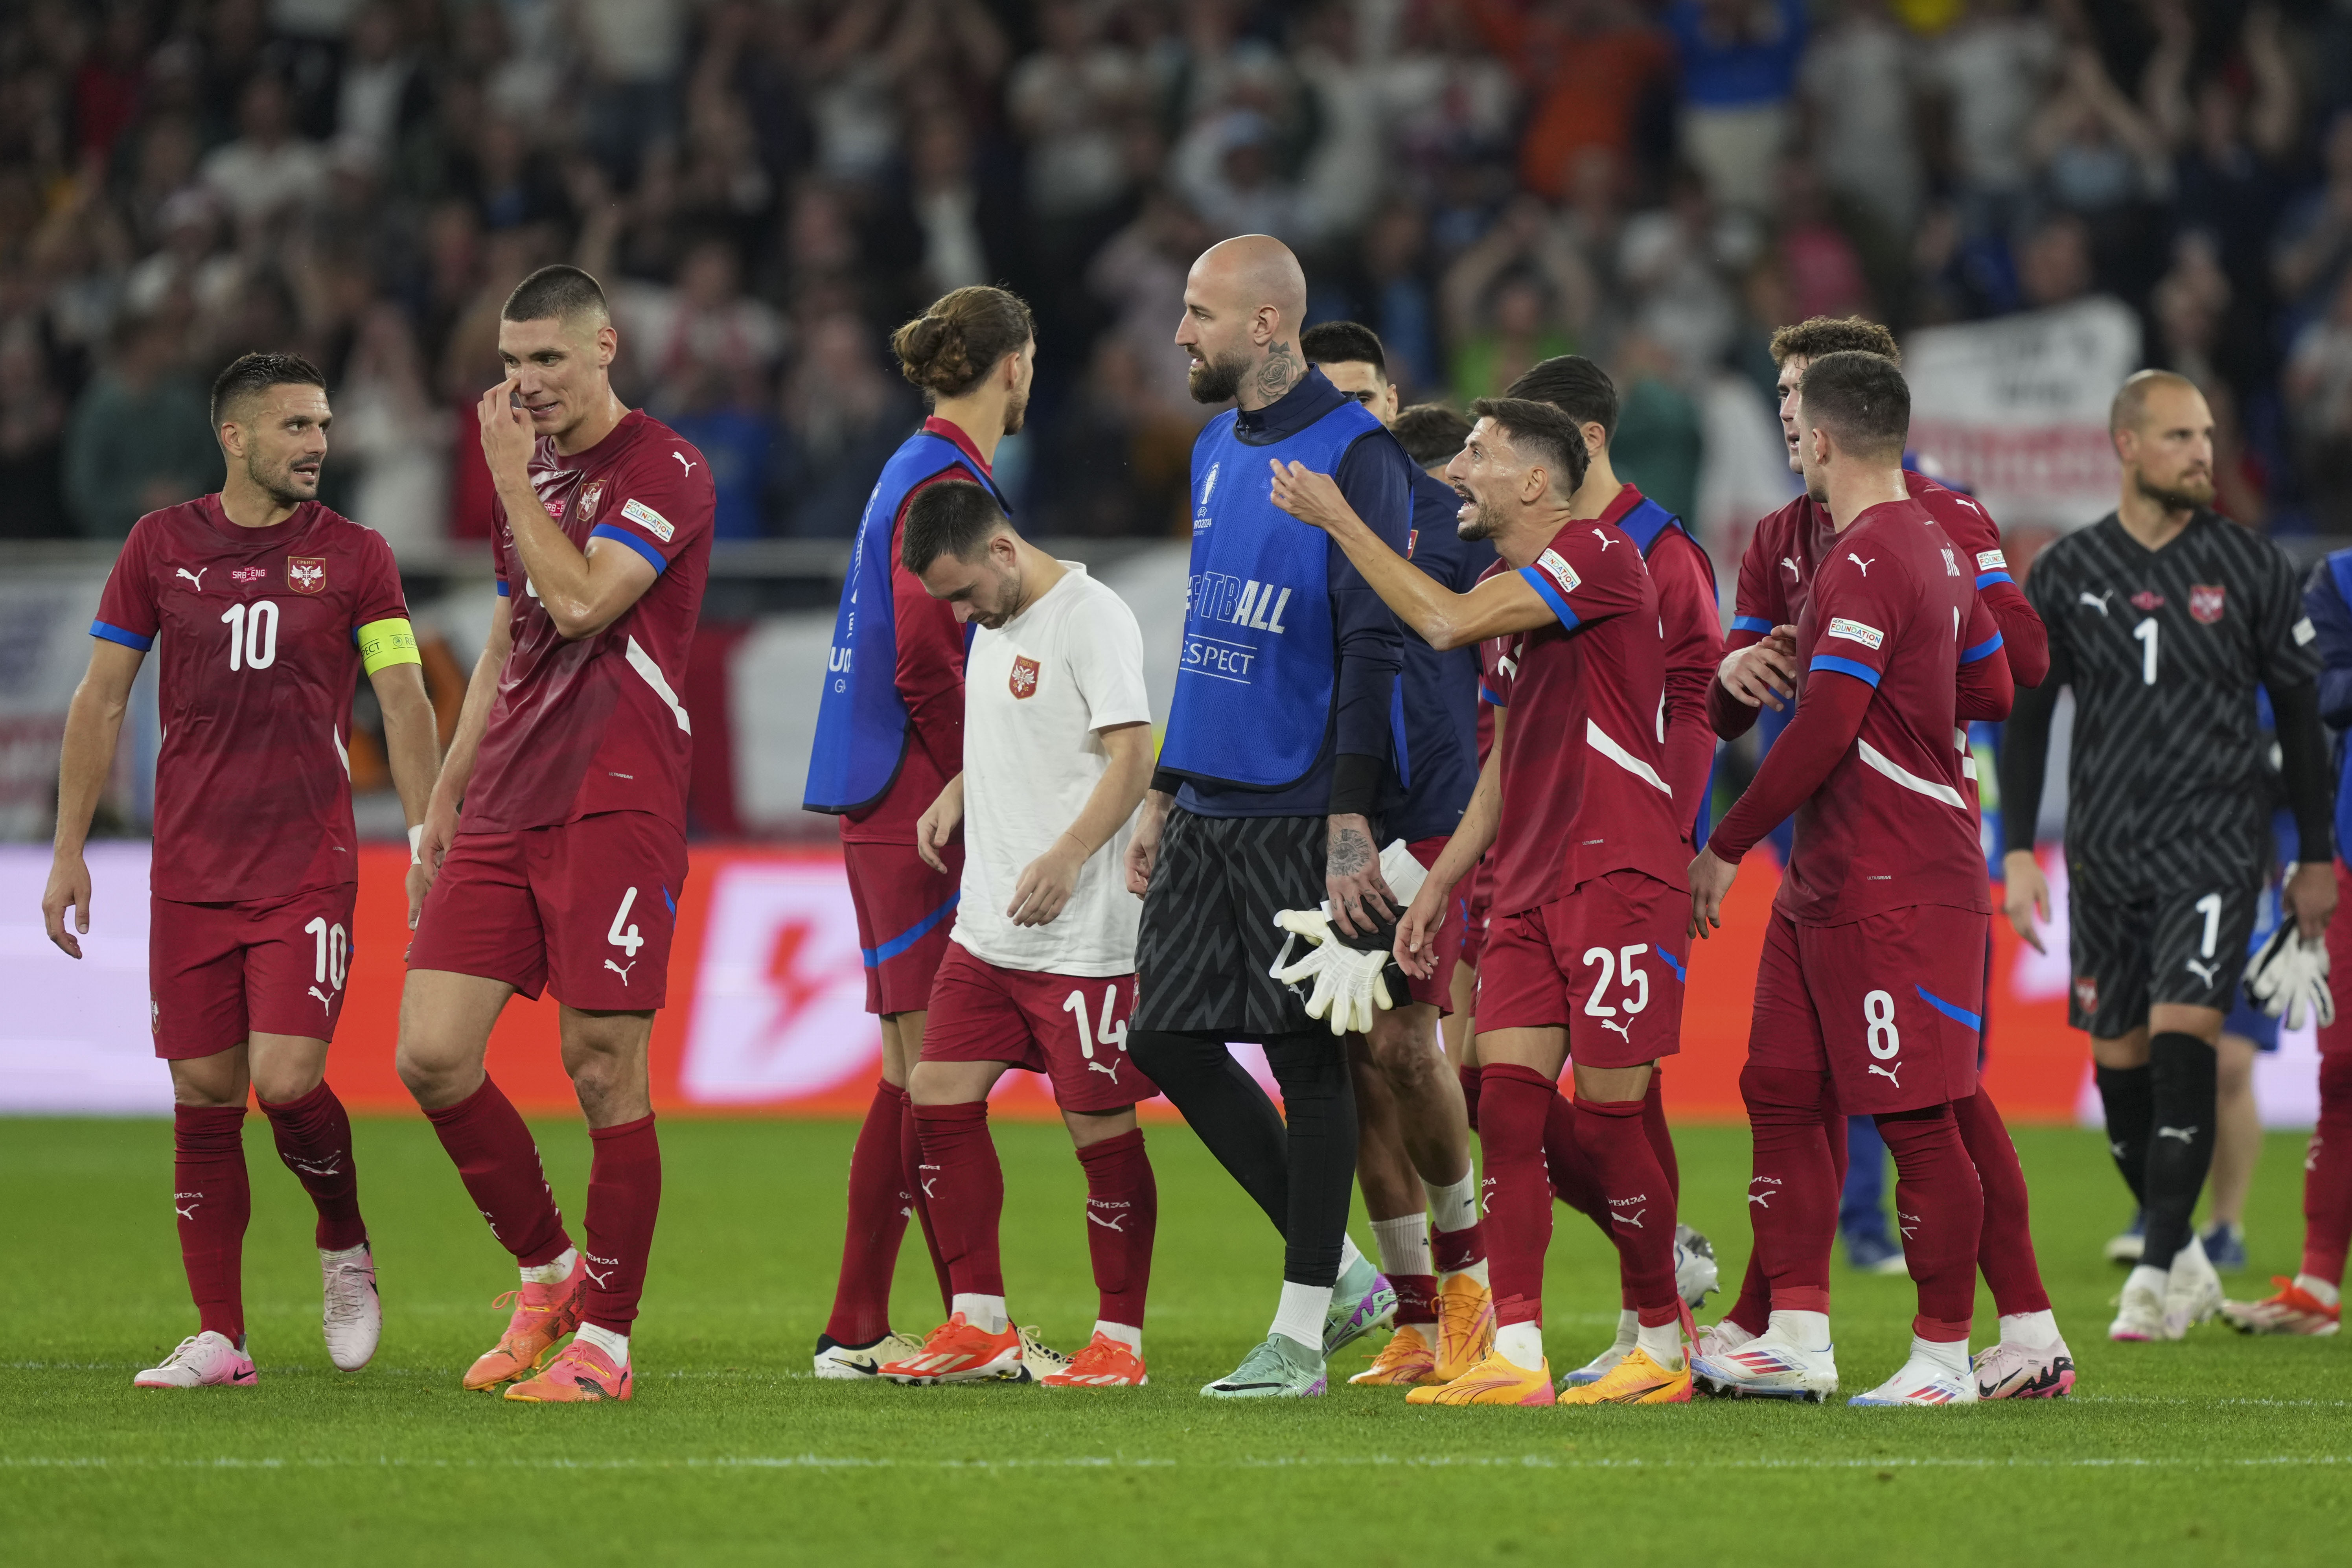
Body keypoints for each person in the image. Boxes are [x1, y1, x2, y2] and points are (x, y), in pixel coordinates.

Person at [1279, 396, 1699, 1408]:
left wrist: (1344, 520)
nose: (1455, 469)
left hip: (1617, 875)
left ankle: (1663, 1335)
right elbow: (1505, 761)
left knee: (1605, 1123)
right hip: (1531, 881)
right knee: (1505, 1111)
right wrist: (1446, 879)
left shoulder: (1598, 557)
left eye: (1478, 452)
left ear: (1535, 483)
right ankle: (1517, 1348)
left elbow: (1439, 617)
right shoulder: (1518, 589)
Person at [42, 352, 441, 1389]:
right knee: (205, 1094)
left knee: (286, 1078)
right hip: (187, 867)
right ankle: (221, 1335)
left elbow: (401, 699)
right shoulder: (158, 546)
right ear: (236, 437)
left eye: (322, 425)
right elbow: (100, 699)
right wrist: (70, 847)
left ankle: (342, 1240)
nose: (317, 443)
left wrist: (426, 833)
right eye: (296, 426)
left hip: (305, 864)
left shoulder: (358, 556)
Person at [1707, 317, 2072, 1399]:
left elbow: (2019, 663)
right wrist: (1742, 675)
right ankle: (1787, 1326)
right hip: (1823, 849)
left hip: (1899, 847)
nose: (1783, 409)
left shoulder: (1938, 519)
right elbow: (1733, 703)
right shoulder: (1778, 539)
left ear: (1845, 414)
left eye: (1795, 392)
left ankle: (1987, 1338)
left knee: (1937, 1103)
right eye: (1777, 388)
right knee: (1789, 1084)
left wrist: (1888, 688)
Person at [393, 265, 715, 1404]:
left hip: (613, 794)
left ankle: (608, 1347)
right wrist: (441, 797)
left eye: (547, 360)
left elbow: (582, 599)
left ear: (606, 348)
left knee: (601, 1065)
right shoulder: (525, 475)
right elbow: (509, 639)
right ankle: (549, 1271)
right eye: (511, 362)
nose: (525, 384)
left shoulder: (664, 469)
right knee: (428, 1054)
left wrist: (505, 478)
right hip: (505, 798)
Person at [1122, 235, 1416, 1399]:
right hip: (1206, 794)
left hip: (1302, 798)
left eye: (1196, 312)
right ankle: (1344, 1280)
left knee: (1306, 1055)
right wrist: (1158, 787)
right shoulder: (1208, 448)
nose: (1179, 332)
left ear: (1262, 324)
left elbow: (1371, 648)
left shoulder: (1358, 454)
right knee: (1161, 1035)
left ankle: (1297, 1336)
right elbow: (1208, 636)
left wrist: (1349, 817)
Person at [2000, 370, 2336, 1344]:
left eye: (2208, 433)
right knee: (2121, 1078)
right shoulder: (2064, 572)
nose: (2203, 452)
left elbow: (2307, 725)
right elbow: (2029, 722)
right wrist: (2020, 849)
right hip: (2103, 855)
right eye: (2182, 436)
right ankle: (2184, 1253)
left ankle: (2151, 1274)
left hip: (2216, 847)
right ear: (2128, 446)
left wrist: (2313, 856)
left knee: (2188, 1038)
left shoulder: (2253, 566)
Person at [873, 479, 1161, 1388]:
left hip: (1085, 937)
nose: (959, 613)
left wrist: (1073, 853)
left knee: (1100, 1133)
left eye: (962, 592)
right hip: (990, 927)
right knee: (936, 1092)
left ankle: (1121, 1342)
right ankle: (980, 1321)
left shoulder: (1092, 616)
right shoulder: (993, 623)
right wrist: (958, 791)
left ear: (1003, 550)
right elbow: (1023, 735)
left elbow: (1134, 752)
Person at [801, 286, 1036, 1378]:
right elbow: (921, 655)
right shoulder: (944, 480)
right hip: (915, 798)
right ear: (1014, 367)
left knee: (912, 1070)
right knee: (934, 1069)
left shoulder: (920, 464)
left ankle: (865, 1322)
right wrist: (980, 777)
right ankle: (962, 1325)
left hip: (883, 788)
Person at [1504, 353, 1726, 1386]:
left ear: (1582, 441)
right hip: (1524, 853)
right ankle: (1652, 1289)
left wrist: (1675, 838)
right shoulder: (1521, 549)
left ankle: (1658, 1310)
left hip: (1618, 859)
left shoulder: (1661, 553)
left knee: (1622, 1101)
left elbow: (1695, 708)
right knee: (1499, 1084)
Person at [1297, 322, 1497, 1389]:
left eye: (1364, 398)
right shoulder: (1284, 526)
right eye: (1328, 402)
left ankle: (1470, 1288)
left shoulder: (1448, 522)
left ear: (1391, 401)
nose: (1352, 419)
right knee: (1349, 1073)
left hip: (1424, 825)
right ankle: (1415, 1317)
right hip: (1315, 823)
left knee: (1410, 1050)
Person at [2223, 546, 2352, 1336]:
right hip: (2349, 857)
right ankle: (2317, 1283)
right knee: (2342, 1070)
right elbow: (2317, 689)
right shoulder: (2337, 578)